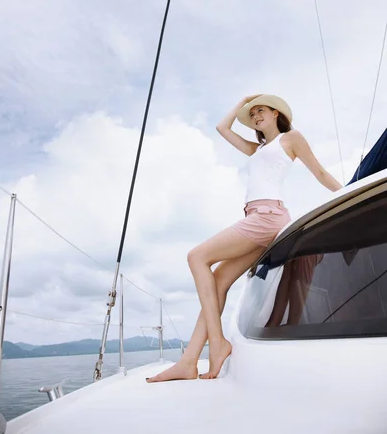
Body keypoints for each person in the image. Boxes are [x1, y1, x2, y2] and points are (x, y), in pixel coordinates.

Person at [146, 94, 342, 383]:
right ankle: (188, 362)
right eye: (253, 115)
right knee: (219, 281)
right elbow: (222, 129)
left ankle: (218, 343)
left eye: (260, 111)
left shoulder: (291, 138)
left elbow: (320, 172)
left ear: (276, 113)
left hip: (268, 217)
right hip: (257, 218)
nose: (256, 117)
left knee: (196, 257)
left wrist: (347, 193)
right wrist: (242, 103)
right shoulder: (257, 149)